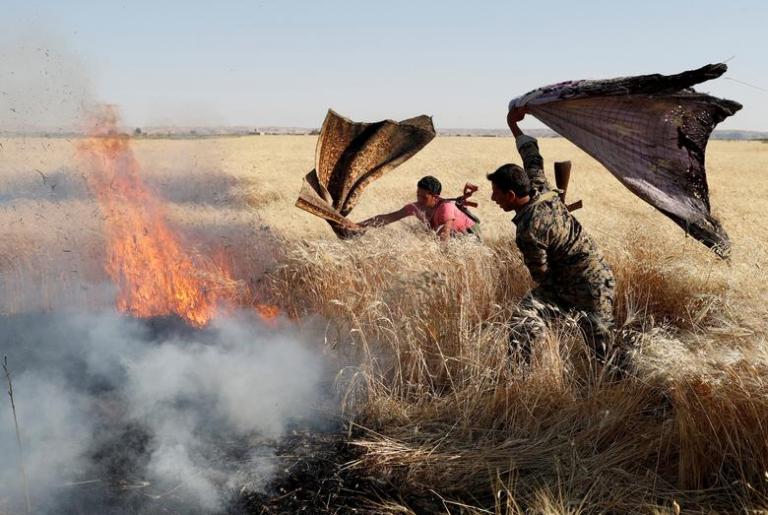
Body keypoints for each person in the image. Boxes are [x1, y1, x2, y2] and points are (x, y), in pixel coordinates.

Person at [488, 108, 616, 362]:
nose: (493, 199)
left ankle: (644, 392)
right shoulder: (539, 185)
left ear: (512, 196)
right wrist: (513, 124)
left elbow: (541, 275)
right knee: (521, 322)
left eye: (497, 194)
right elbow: (531, 153)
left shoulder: (528, 231)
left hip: (588, 287)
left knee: (604, 354)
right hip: (596, 275)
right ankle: (519, 377)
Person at [358, 175, 478, 240]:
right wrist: (359, 225)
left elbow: (445, 234)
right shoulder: (415, 207)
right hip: (452, 235)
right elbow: (388, 217)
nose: (419, 199)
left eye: (423, 196)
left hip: (469, 233)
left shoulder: (445, 207)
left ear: (435, 197)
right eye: (418, 195)